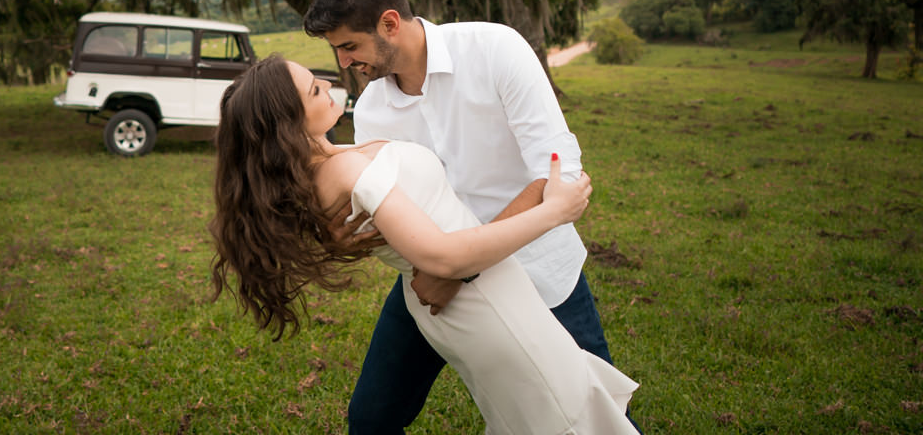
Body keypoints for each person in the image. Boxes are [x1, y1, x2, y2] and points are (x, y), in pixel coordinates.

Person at [209, 55, 639, 434]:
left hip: (488, 291)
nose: (328, 82)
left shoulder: (331, 160)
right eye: (314, 90)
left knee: (552, 403)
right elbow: (443, 257)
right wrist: (554, 212)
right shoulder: (341, 173)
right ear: (289, 122)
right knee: (561, 411)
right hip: (482, 301)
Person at [301, 0, 640, 434]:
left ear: (390, 24)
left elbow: (558, 171)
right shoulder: (374, 107)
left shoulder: (494, 49)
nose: (343, 63)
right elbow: (387, 207)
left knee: (598, 413)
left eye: (349, 46)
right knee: (372, 417)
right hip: (429, 283)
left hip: (537, 270)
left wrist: (459, 270)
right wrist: (345, 237)